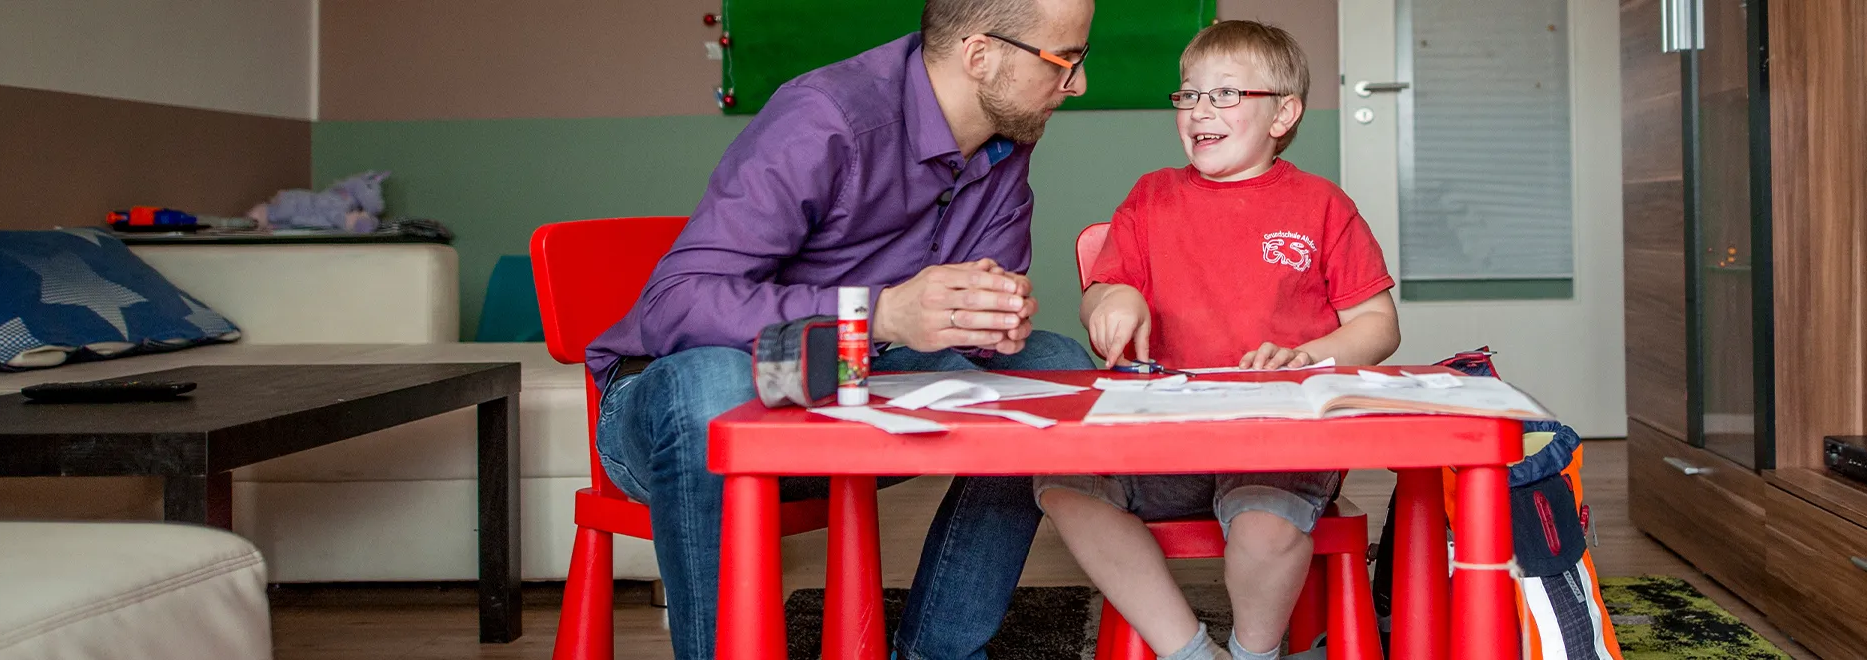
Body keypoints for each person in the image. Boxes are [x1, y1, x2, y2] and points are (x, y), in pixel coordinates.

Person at [581, 0, 1097, 657]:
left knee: (1052, 365)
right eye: (1065, 60)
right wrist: (879, 310)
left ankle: (938, 650)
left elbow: (967, 334)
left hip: (850, 387)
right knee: (709, 382)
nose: (1077, 84)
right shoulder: (825, 116)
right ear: (979, 55)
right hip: (673, 413)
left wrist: (986, 318)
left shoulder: (1009, 137)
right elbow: (674, 305)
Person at [1045, 21, 1401, 660]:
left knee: (1266, 527)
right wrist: (1112, 298)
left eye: (1226, 95)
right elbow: (1102, 292)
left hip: (1276, 437)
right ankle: (1188, 651)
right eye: (1188, 95)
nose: (1200, 110)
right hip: (1164, 441)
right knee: (1061, 480)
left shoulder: (1322, 206)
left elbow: (1379, 326)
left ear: (1282, 114)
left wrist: (1309, 356)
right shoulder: (1151, 198)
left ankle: (1254, 653)